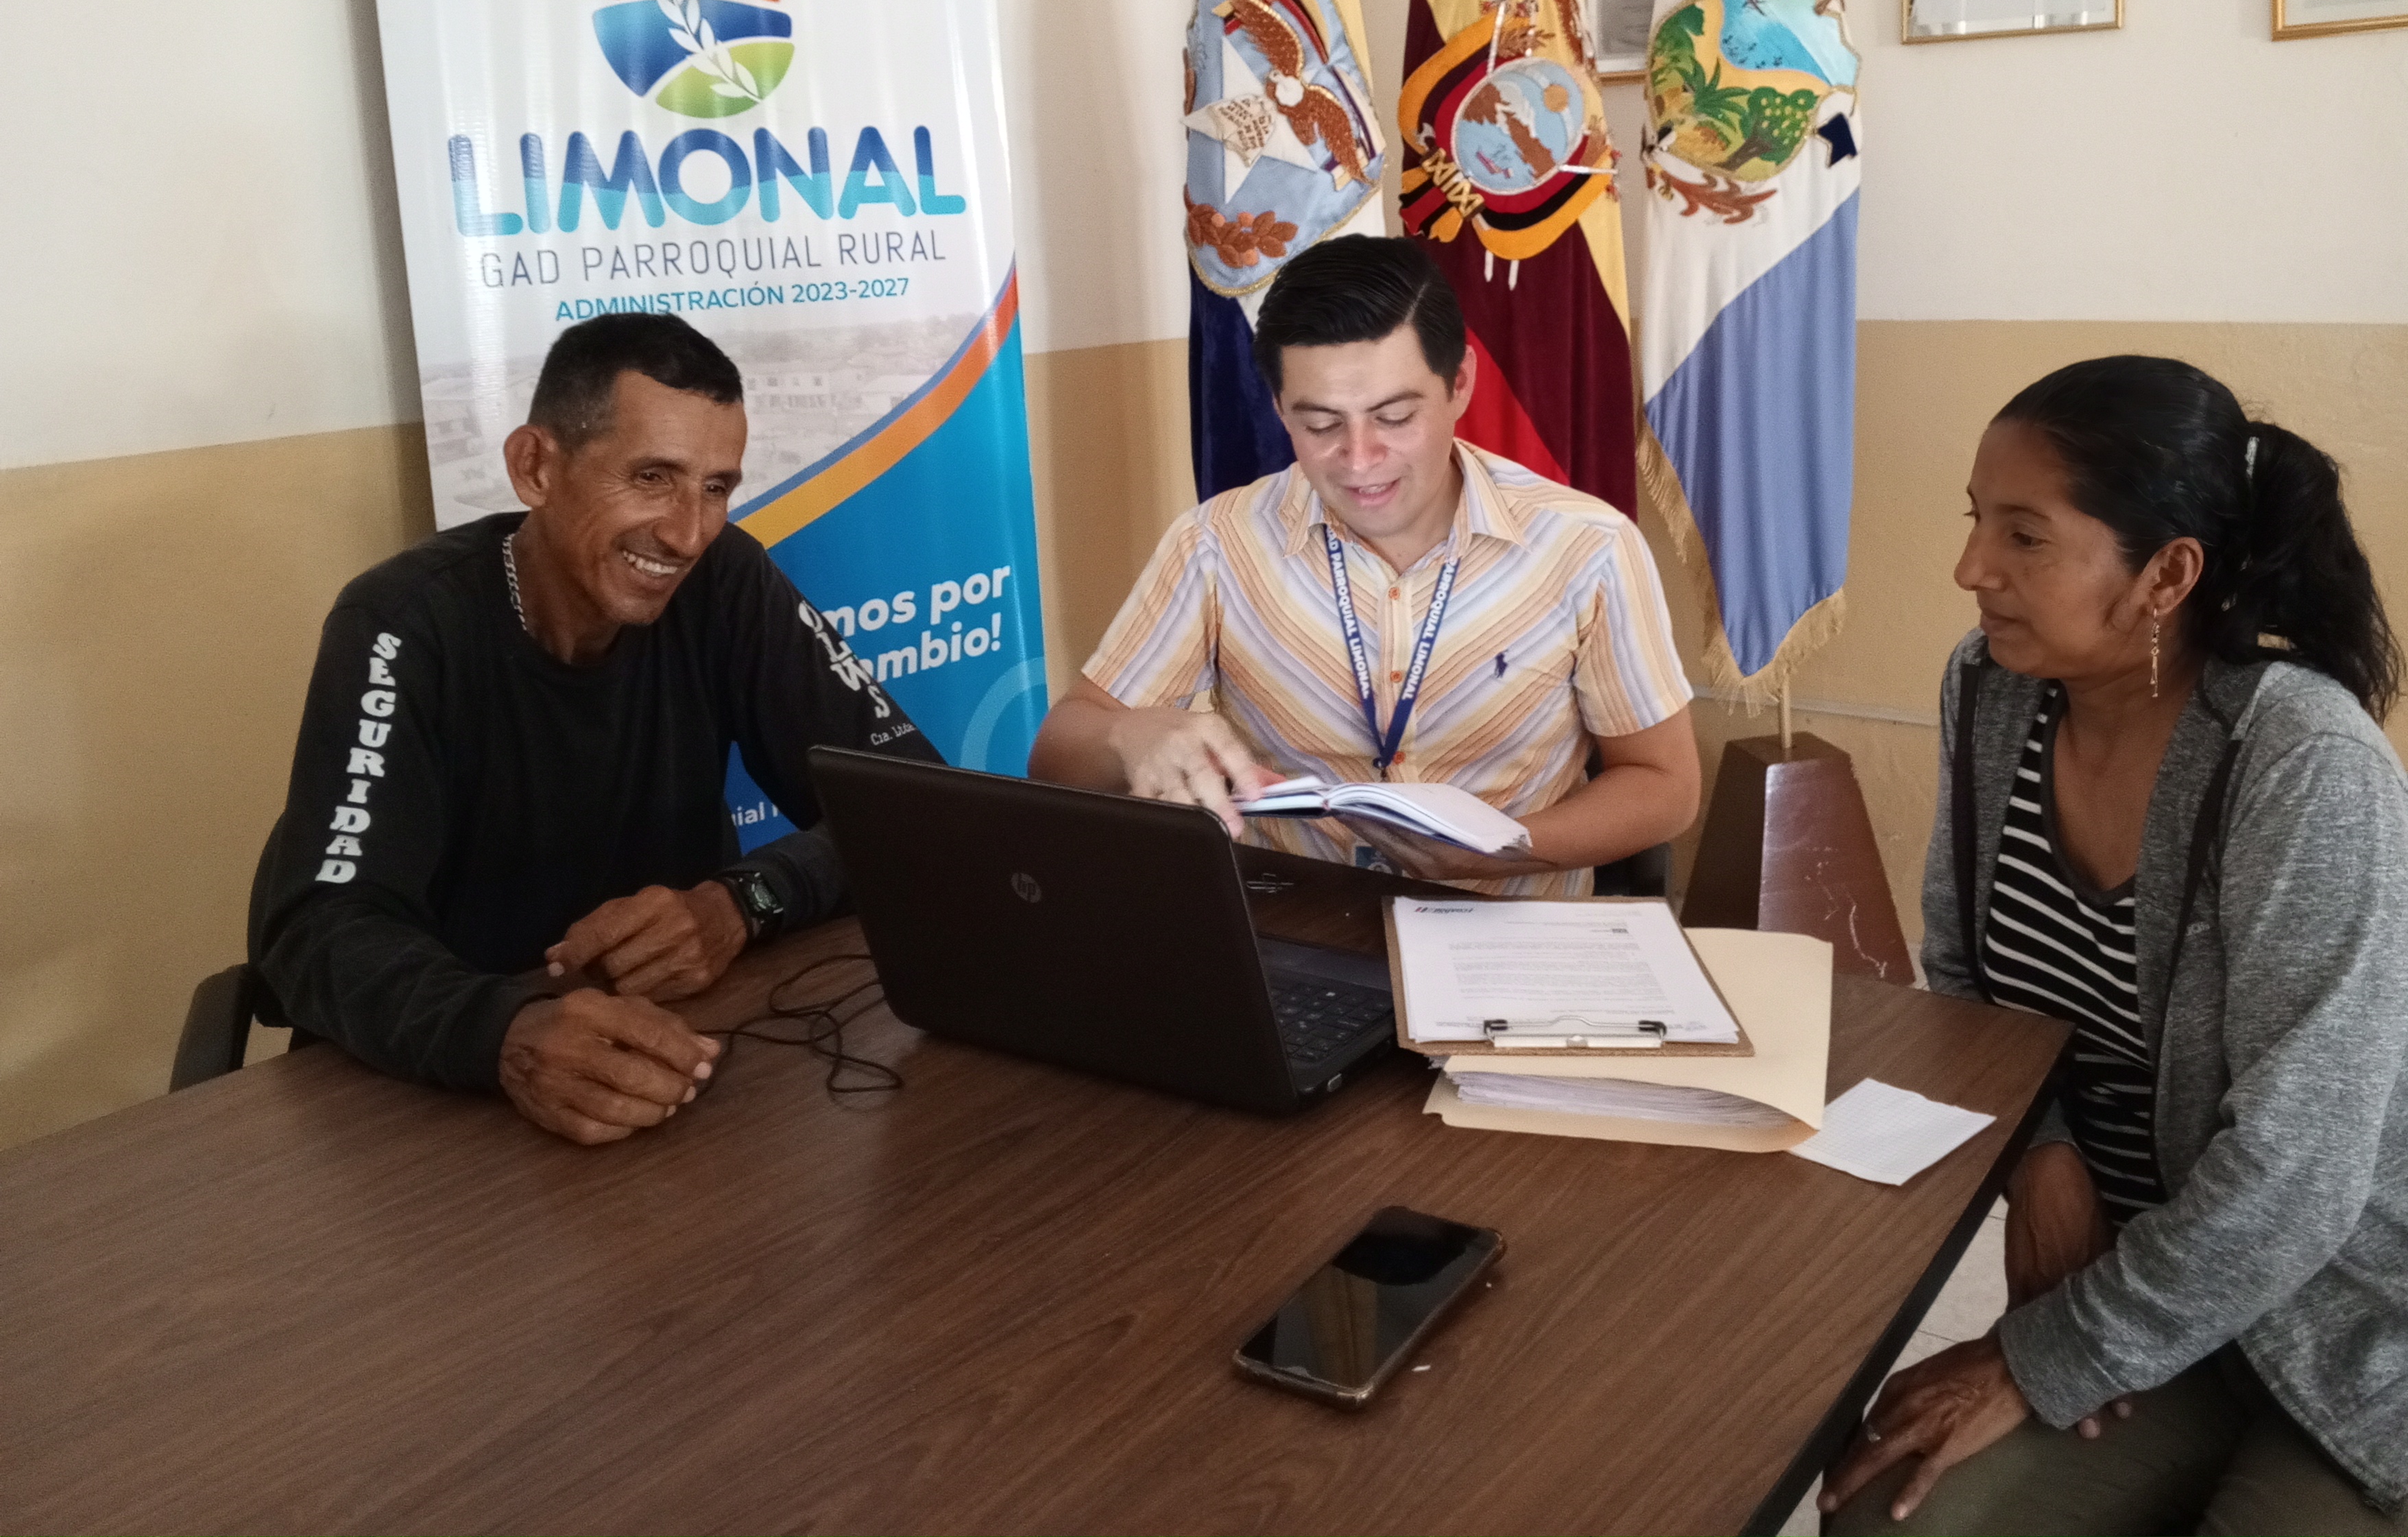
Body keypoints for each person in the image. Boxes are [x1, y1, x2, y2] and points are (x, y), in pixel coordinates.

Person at [1823, 356, 2408, 1536]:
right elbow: (1968, 975)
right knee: (1889, 1510)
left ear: (2166, 575)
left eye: (2023, 536)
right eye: (1975, 520)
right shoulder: (1992, 687)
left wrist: (2044, 1358)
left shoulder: (2302, 767)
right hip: (2172, 1297)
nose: (1970, 568)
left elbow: (2298, 1176)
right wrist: (2043, 1155)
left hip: (2402, 1329)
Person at [249, 313, 938, 1145]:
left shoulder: (724, 579)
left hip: (675, 1066)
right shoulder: (403, 622)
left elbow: (913, 805)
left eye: (715, 488)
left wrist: (744, 901)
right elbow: (319, 928)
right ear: (535, 468)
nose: (687, 533)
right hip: (432, 1110)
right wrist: (502, 1032)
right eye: (651, 477)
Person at [1029, 237, 1696, 894]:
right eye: (1321, 425)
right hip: (1290, 919)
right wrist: (1128, 735)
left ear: (1459, 383)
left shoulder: (1587, 546)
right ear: (1278, 407)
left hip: (1511, 928)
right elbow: (1057, 754)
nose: (1359, 459)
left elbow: (1664, 785)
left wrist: (1504, 852)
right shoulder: (1217, 542)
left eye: (1394, 417)